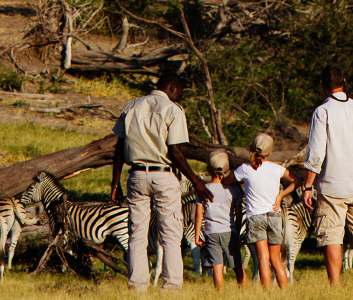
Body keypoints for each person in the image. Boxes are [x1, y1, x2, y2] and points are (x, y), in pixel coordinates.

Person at [110, 73, 213, 291]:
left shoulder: (131, 106)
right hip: (164, 175)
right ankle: (171, 286)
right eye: (180, 93)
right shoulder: (172, 110)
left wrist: (115, 182)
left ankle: (137, 286)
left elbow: (119, 147)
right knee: (170, 234)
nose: (179, 98)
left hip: (136, 176)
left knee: (137, 234)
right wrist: (196, 181)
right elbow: (175, 152)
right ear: (172, 87)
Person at [303, 64, 353, 285]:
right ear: (344, 81)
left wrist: (308, 186)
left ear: (322, 86)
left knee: (332, 237)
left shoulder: (322, 111)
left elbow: (316, 153)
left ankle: (335, 286)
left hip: (332, 186)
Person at [223, 133, 301, 290]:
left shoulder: (244, 169)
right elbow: (297, 181)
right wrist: (280, 196)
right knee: (276, 259)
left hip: (255, 216)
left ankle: (267, 293)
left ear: (251, 149)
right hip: (274, 215)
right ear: (270, 152)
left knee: (263, 258)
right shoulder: (276, 168)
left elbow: (226, 181)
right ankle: (285, 292)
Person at [195, 150, 248, 291]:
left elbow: (199, 216)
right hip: (229, 232)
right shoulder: (234, 189)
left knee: (217, 266)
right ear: (227, 169)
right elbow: (238, 214)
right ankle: (245, 292)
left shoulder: (203, 189)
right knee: (237, 265)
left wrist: (196, 236)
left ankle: (220, 294)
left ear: (208, 169)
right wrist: (236, 232)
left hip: (211, 232)